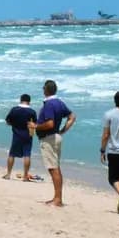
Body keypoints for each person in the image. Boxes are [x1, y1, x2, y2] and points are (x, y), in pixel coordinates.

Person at [33, 79, 76, 208]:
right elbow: (72, 117)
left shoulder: (49, 104)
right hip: (55, 136)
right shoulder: (59, 103)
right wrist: (63, 130)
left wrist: (36, 126)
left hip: (49, 138)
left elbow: (50, 123)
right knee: (55, 167)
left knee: (53, 168)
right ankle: (57, 198)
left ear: (46, 90)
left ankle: (58, 199)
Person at [3, 93, 38, 182]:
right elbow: (34, 124)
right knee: (27, 155)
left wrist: (13, 125)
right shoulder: (32, 111)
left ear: (20, 100)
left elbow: (7, 121)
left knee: (12, 154)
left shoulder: (14, 110)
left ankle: (8, 174)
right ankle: (25, 176)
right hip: (27, 135)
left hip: (16, 134)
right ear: (29, 101)